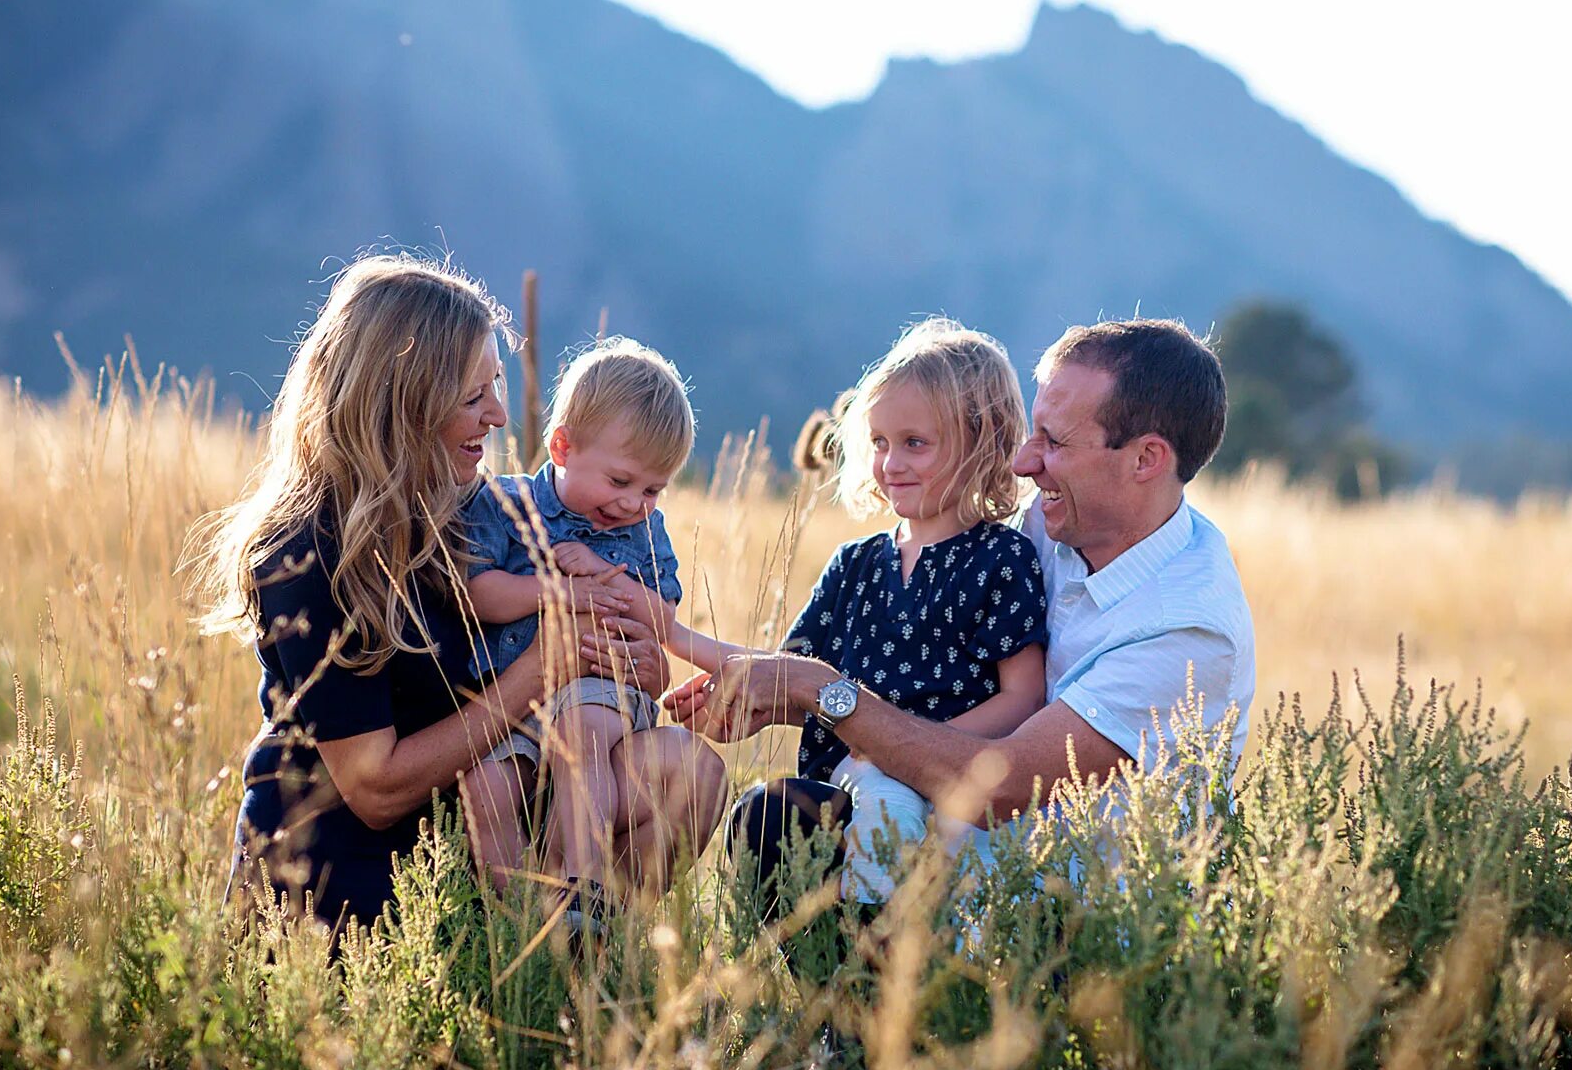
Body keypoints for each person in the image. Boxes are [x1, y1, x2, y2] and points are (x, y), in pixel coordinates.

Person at [193, 254, 720, 933]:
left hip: (479, 848)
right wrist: (544, 670)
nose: (499, 415)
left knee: (694, 774)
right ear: (401, 400)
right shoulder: (307, 550)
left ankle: (582, 948)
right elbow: (375, 787)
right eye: (474, 397)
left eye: (495, 386)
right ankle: (548, 946)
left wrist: (637, 664)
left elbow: (592, 646)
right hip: (346, 899)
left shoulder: (470, 515)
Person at [667, 318, 1255, 913]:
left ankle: (888, 992)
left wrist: (823, 692)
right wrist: (768, 695)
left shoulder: (1187, 628)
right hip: (957, 862)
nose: (1024, 463)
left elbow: (1003, 786)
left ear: (1146, 458)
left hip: (1075, 925)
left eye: (1054, 442)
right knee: (776, 818)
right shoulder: (1045, 527)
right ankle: (843, 1004)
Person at [649, 318, 1049, 906]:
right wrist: (688, 650)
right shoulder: (856, 564)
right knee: (765, 816)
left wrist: (907, 744)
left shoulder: (1002, 558)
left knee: (888, 823)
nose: (892, 464)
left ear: (981, 441)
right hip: (844, 781)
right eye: (881, 443)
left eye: (916, 443)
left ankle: (877, 964)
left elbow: (1023, 698)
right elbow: (787, 673)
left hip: (944, 788)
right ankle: (826, 978)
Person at [459, 337, 723, 932]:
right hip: (508, 701)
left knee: (585, 731)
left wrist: (607, 576)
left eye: (653, 490)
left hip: (597, 691)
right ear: (562, 446)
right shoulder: (505, 504)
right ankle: (518, 926)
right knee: (485, 786)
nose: (633, 503)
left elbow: (661, 616)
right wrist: (561, 593)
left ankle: (583, 888)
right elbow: (482, 593)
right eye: (620, 481)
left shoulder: (647, 532)